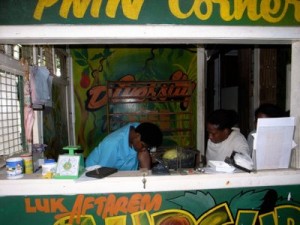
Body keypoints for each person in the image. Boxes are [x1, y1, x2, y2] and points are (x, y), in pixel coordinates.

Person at [85, 122, 163, 171]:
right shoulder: (113, 144)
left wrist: (145, 163)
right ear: (137, 136)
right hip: (94, 173)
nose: (144, 150)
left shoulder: (139, 129)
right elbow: (102, 173)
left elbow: (145, 174)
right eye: (143, 146)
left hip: (120, 173)